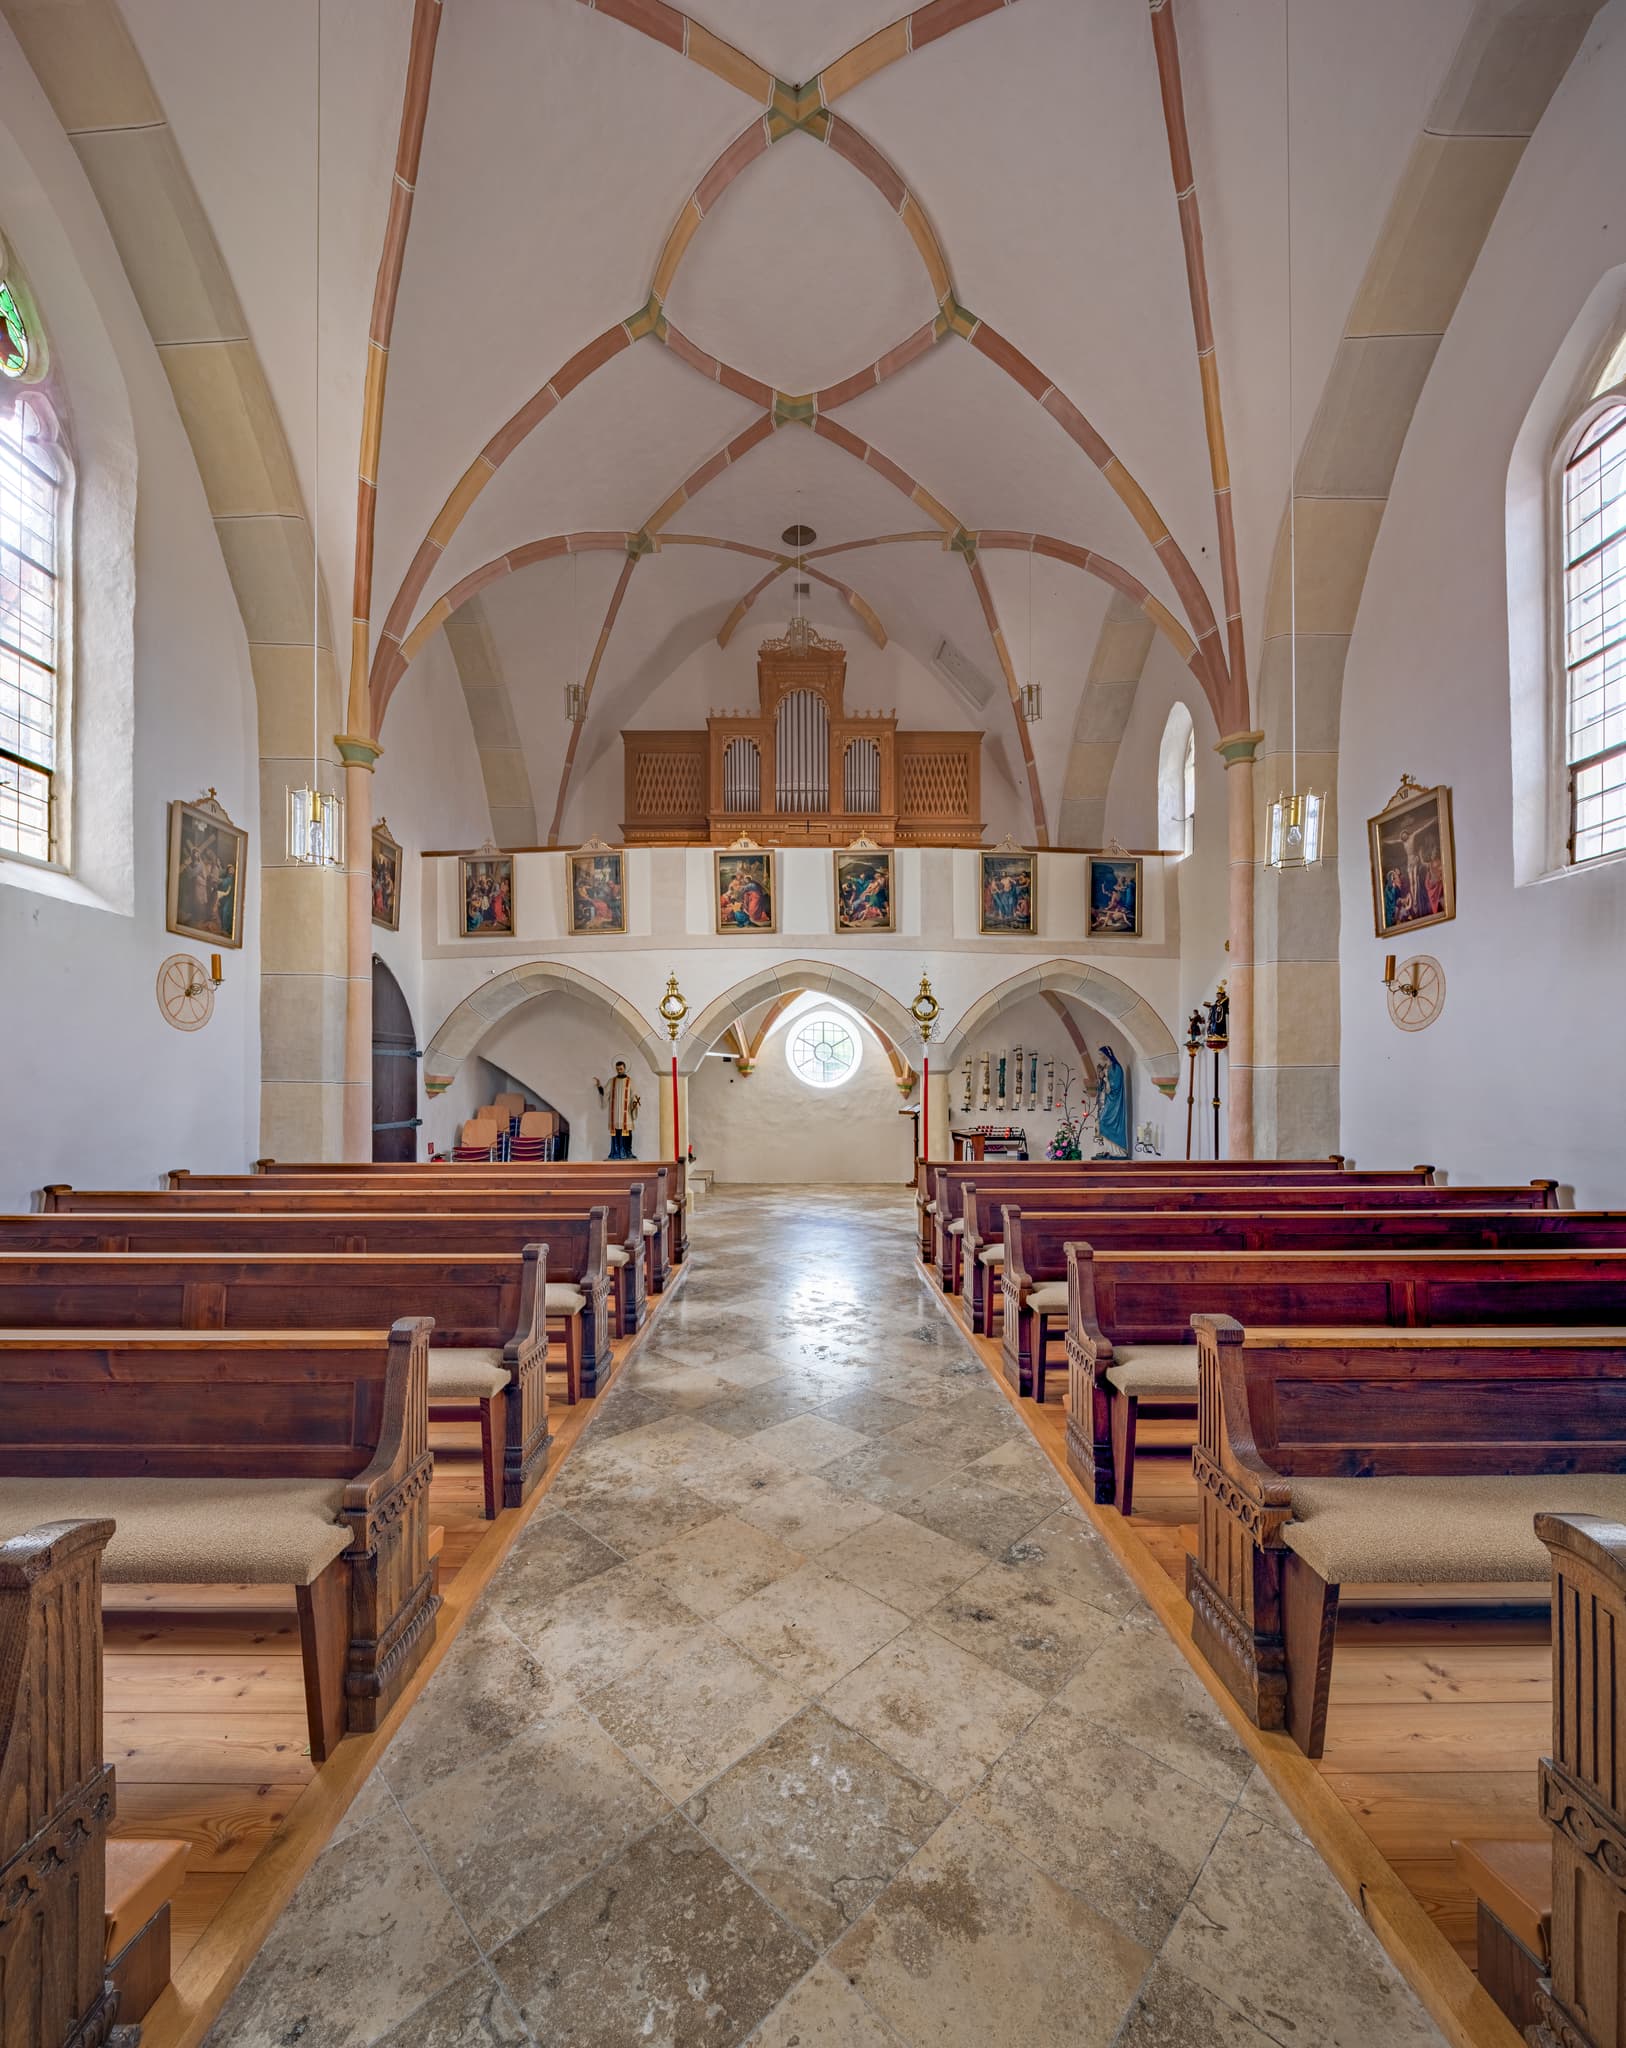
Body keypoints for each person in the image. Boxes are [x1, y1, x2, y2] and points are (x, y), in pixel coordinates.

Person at [595, 1060, 639, 1159]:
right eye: (617, 1069)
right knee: (616, 1133)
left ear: (625, 1068)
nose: (619, 1071)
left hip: (626, 1113)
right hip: (614, 1114)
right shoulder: (612, 1081)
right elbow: (605, 1092)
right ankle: (616, 1152)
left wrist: (634, 1103)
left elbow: (634, 1095)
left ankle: (627, 1152)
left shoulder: (630, 1081)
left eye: (621, 1069)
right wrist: (599, 1086)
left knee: (627, 1133)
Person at [1093, 1045, 1129, 1158]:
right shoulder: (1106, 1067)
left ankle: (1118, 1151)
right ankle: (1109, 1149)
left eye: (1101, 1054)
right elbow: (1102, 1087)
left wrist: (1106, 1079)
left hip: (1115, 1101)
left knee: (1106, 1122)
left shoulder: (1116, 1068)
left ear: (1106, 1054)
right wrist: (1101, 1079)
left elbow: (1115, 1086)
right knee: (1102, 1122)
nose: (1100, 1057)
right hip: (1108, 1100)